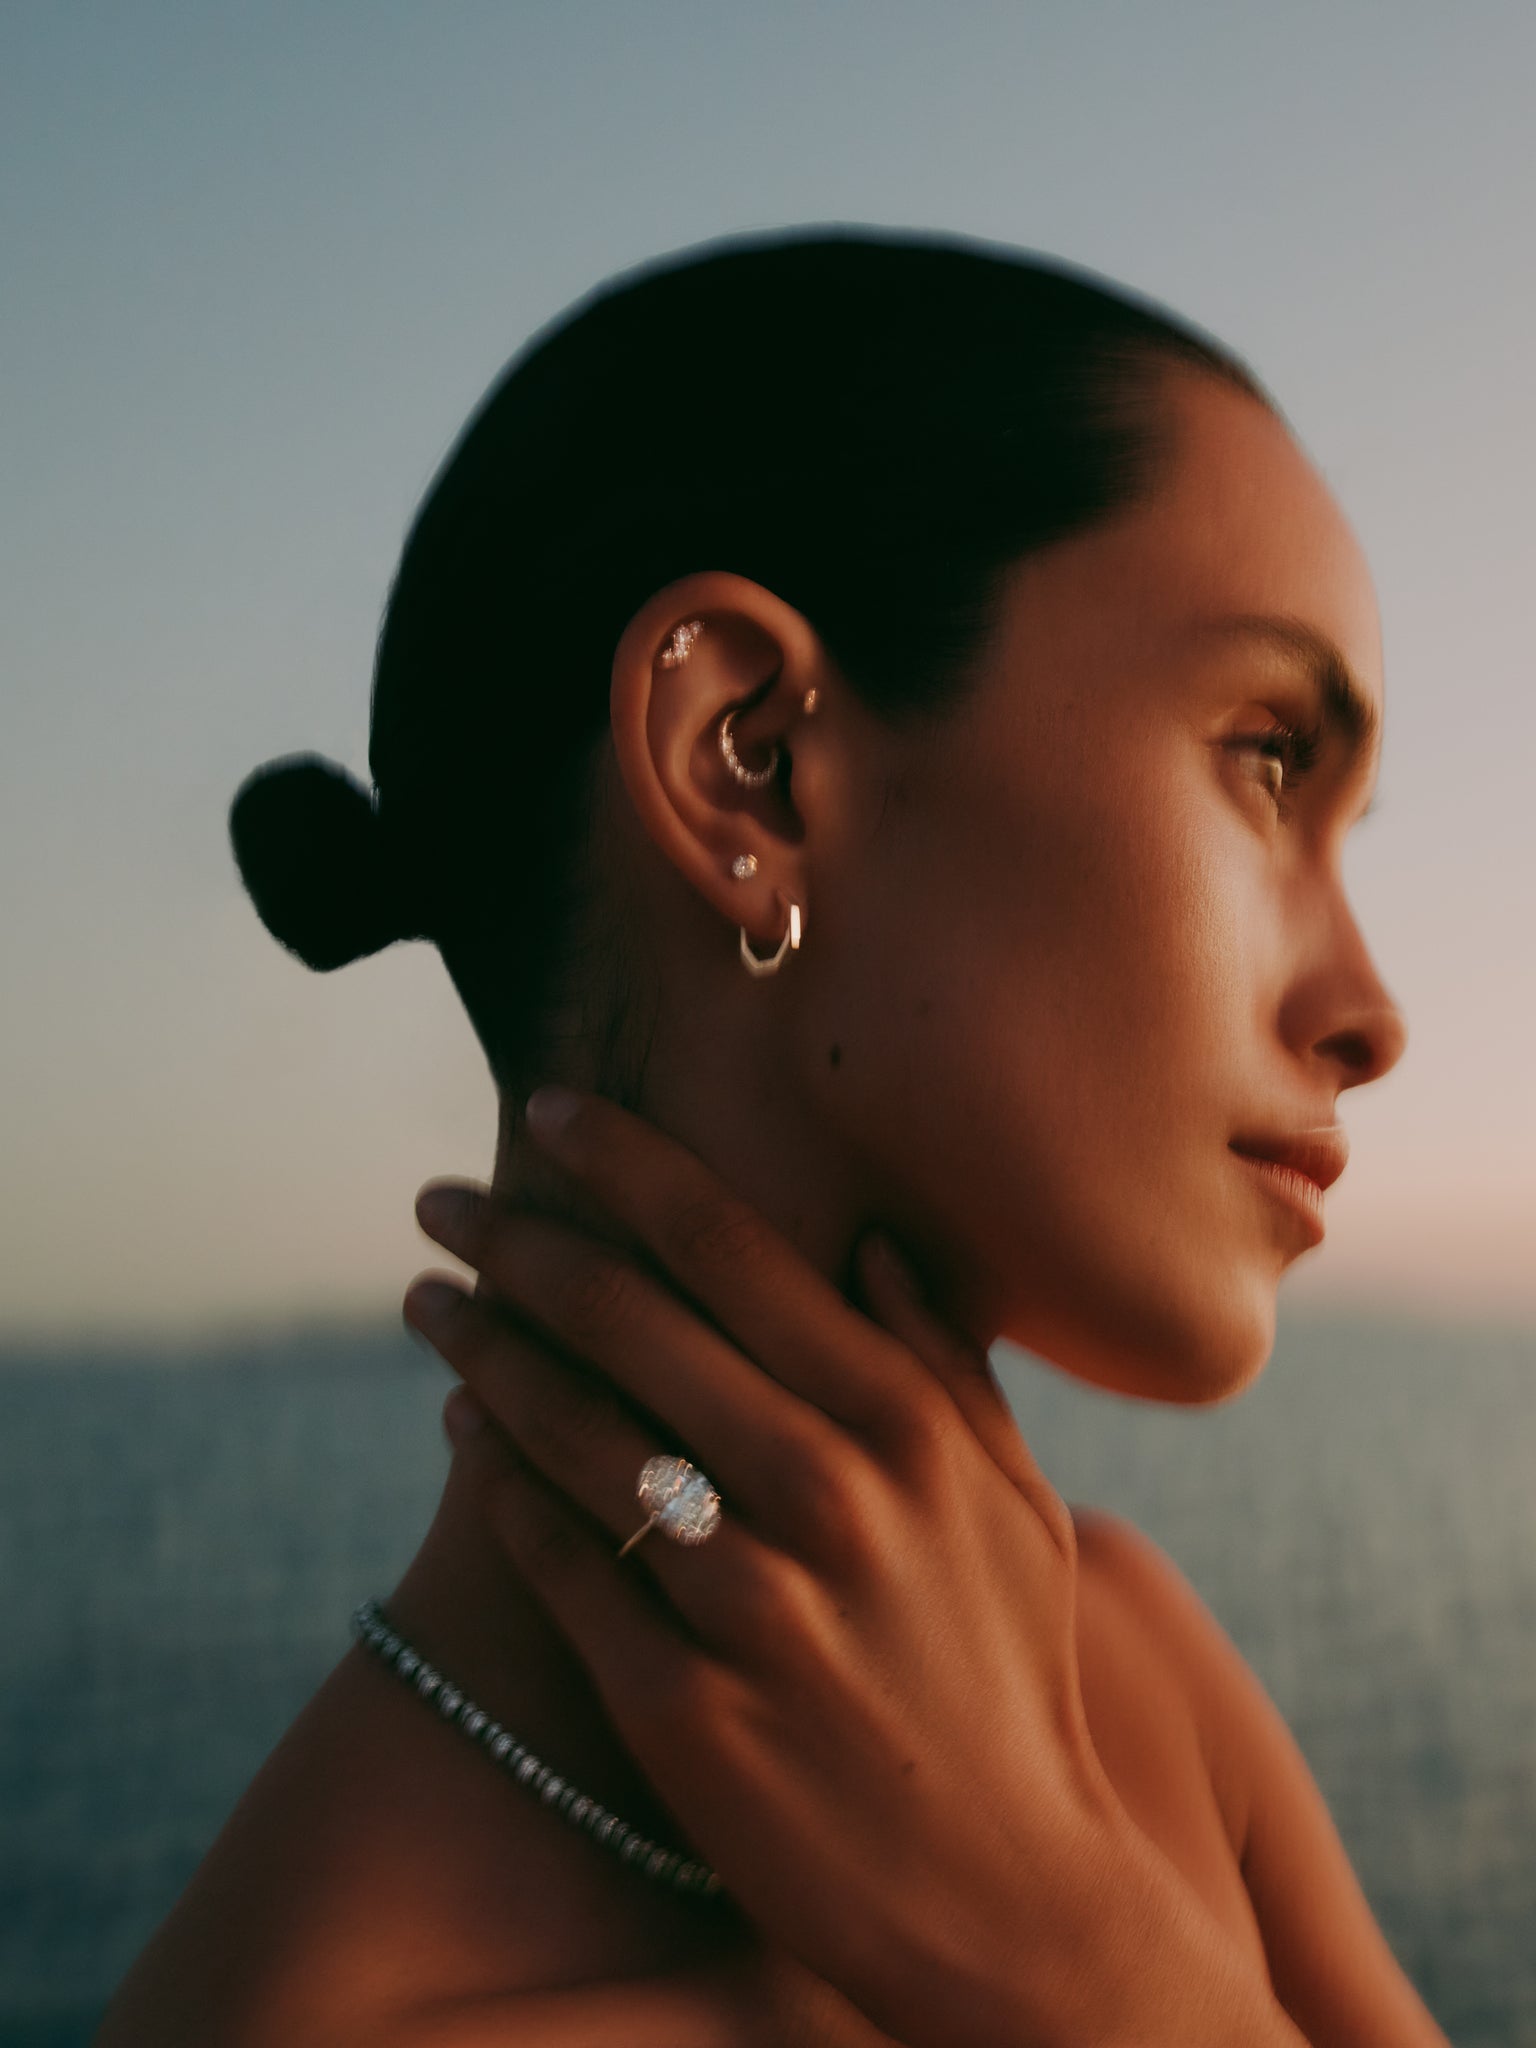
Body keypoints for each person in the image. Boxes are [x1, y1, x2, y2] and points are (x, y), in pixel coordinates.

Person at [96, 224, 1450, 2046]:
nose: (1373, 1008)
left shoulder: (1132, 1677)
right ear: (748, 756)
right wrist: (1091, 1970)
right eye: (1270, 756)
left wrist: (1084, 1943)